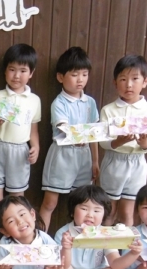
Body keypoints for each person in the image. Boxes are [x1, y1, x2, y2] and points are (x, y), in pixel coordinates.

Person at [0, 44, 41, 241]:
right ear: (5, 71)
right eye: (12, 69)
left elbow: (33, 129)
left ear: (31, 73)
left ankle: (18, 240)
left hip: (20, 151)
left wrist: (36, 147)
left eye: (23, 70)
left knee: (18, 200)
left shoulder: (34, 100)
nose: (16, 75)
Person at [40, 47, 99, 231]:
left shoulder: (90, 102)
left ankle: (80, 239)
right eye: (74, 74)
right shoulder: (59, 103)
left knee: (83, 203)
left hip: (84, 156)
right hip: (62, 156)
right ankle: (40, 240)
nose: (80, 79)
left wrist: (95, 161)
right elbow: (65, 129)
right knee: (50, 202)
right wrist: (82, 134)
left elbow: (94, 133)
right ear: (60, 77)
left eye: (84, 74)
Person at [99, 55, 147, 226]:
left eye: (135, 79)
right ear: (115, 82)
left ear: (145, 81)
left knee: (127, 212)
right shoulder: (108, 110)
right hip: (114, 162)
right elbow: (103, 141)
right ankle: (104, 244)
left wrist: (144, 143)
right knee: (109, 211)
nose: (129, 85)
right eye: (123, 79)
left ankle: (126, 244)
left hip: (137, 164)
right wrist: (119, 142)